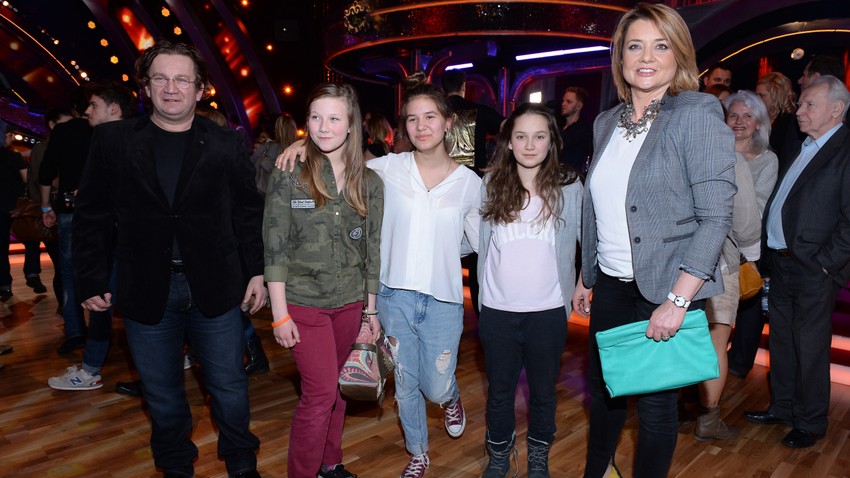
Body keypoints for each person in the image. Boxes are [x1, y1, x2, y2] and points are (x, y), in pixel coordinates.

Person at [72, 40, 265, 478]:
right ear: (146, 86)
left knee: (230, 386)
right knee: (161, 393)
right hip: (145, 287)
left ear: (200, 89)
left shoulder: (225, 142)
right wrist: (90, 278)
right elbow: (91, 216)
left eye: (182, 79)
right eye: (160, 78)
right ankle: (176, 466)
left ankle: (241, 463)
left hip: (216, 286)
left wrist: (257, 271)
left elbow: (248, 213)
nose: (171, 88)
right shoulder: (112, 141)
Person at [278, 72, 482, 478]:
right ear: (403, 126)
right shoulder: (387, 168)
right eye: (412, 118)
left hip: (443, 300)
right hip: (392, 297)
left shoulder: (470, 184)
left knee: (436, 384)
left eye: (430, 117)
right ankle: (418, 452)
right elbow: (338, 155)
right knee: (404, 381)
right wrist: (304, 143)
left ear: (448, 123)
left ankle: (450, 396)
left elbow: (477, 242)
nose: (421, 126)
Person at [570, 4, 735, 477]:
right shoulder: (606, 122)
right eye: (634, 46)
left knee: (657, 409)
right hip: (612, 284)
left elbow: (715, 218)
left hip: (666, 286)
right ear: (620, 57)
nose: (646, 57)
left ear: (678, 54)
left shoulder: (697, 113)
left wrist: (678, 301)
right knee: (604, 391)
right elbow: (598, 207)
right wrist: (586, 274)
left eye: (660, 45)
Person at [264, 83, 383, 478]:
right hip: (303, 303)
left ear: (351, 124)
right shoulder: (289, 172)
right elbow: (275, 245)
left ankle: (330, 464)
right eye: (315, 117)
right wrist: (279, 315)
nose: (323, 126)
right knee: (319, 394)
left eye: (334, 118)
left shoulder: (370, 181)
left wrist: (370, 312)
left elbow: (372, 251)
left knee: (341, 389)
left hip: (350, 303)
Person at [744, 75, 850, 449]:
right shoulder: (804, 145)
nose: (800, 111)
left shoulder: (844, 151)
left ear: (836, 110)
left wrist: (825, 264)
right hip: (783, 263)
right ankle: (784, 407)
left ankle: (811, 420)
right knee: (783, 341)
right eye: (801, 103)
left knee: (810, 347)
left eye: (809, 105)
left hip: (813, 268)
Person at [477, 103, 581, 477]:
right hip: (497, 311)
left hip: (548, 311)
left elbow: (588, 237)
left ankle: (539, 455)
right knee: (500, 392)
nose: (530, 145)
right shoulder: (490, 184)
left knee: (543, 392)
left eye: (539, 136)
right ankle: (499, 455)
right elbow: (478, 241)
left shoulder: (569, 186)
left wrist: (584, 282)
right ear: (508, 141)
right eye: (521, 136)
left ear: (552, 141)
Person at [47, 81, 135, 391]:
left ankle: (91, 371)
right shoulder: (114, 140)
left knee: (106, 303)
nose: (86, 111)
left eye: (94, 105)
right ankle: (92, 368)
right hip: (118, 242)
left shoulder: (124, 141)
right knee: (107, 303)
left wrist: (93, 197)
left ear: (114, 109)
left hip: (127, 244)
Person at [694, 108, 762, 441]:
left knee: (678, 337)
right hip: (719, 261)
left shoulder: (670, 150)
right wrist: (752, 256)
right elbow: (745, 216)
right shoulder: (728, 157)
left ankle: (672, 407)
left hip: (674, 263)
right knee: (716, 342)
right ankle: (708, 419)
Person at [724, 91, 779, 379]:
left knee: (741, 311)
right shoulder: (711, 151)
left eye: (747, 116)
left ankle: (735, 365)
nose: (739, 121)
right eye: (733, 115)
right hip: (706, 246)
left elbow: (757, 210)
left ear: (759, 123)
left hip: (745, 250)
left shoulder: (767, 160)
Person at [39, 86, 93, 354]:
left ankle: (75, 332)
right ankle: (101, 331)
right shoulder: (105, 129)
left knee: (69, 273)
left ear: (73, 107)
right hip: (102, 211)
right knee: (105, 270)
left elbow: (46, 172)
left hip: (70, 210)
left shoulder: (63, 131)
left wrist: (45, 207)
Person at [23, 108, 72, 304]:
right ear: (52, 124)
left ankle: (69, 307)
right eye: (66, 123)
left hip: (66, 210)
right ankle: (65, 306)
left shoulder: (68, 146)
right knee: (61, 264)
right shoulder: (42, 149)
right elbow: (41, 179)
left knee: (67, 264)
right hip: (50, 212)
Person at [441, 69, 504, 173]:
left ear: (442, 89)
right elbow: (510, 126)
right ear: (463, 86)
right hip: (474, 177)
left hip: (441, 176)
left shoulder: (435, 113)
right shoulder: (481, 111)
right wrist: (503, 163)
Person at [1, 120, 28, 300]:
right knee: (4, 247)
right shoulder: (14, 157)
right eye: (9, 135)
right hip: (11, 207)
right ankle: (5, 285)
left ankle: (4, 284)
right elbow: (26, 180)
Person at [755, 72, 800, 165]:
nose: (756, 100)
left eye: (762, 95)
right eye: (756, 95)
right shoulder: (756, 118)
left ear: (777, 95)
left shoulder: (791, 121)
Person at [559, 86, 593, 178]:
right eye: (563, 101)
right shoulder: (559, 127)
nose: (563, 104)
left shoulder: (582, 130)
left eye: (568, 102)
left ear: (579, 106)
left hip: (570, 179)